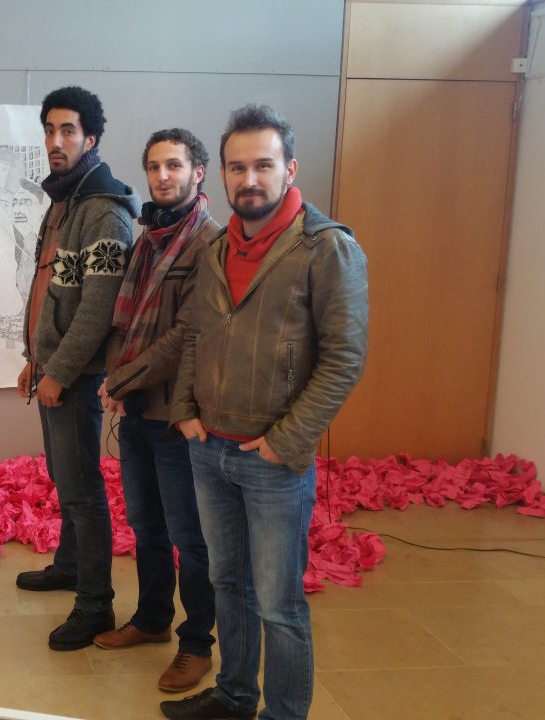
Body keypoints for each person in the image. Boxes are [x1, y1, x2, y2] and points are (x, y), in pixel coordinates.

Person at [161, 105, 368, 720]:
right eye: (237, 167)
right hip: (209, 450)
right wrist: (185, 409)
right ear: (221, 174)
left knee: (279, 605)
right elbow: (196, 335)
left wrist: (287, 440)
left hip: (273, 461)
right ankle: (234, 697)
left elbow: (345, 358)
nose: (249, 179)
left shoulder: (327, 248)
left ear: (290, 169)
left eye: (263, 165)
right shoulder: (216, 248)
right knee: (228, 584)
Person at [15, 86, 141, 650]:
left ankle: (95, 605)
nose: (56, 141)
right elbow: (51, 289)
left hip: (77, 377)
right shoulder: (65, 201)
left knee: (83, 491)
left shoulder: (104, 211)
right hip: (53, 368)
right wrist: (34, 360)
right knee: (66, 481)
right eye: (49, 130)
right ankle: (69, 566)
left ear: (91, 138)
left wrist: (60, 372)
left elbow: (98, 308)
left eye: (68, 130)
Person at [94, 129, 220, 693]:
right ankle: (151, 620)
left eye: (174, 165)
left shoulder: (208, 243)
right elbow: (123, 324)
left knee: (190, 538)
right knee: (146, 527)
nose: (162, 176)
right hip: (139, 411)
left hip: (178, 416)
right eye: (153, 166)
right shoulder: (146, 239)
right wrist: (119, 382)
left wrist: (122, 379)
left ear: (198, 172)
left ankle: (196, 645)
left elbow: (186, 334)